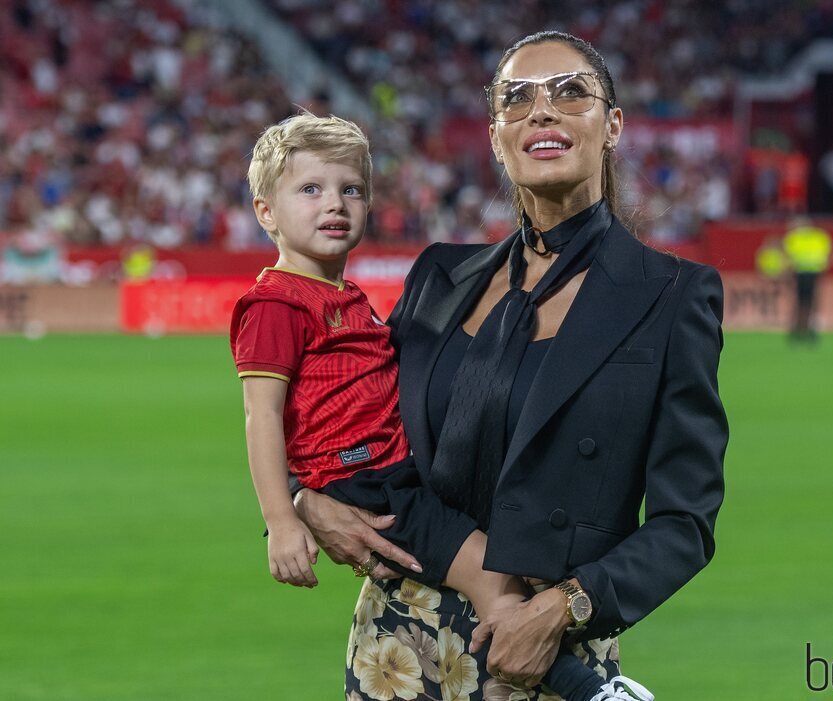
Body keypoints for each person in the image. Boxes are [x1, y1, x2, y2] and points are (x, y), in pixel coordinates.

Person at [294, 31, 728, 700]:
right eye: (516, 98)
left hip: (547, 656)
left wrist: (568, 607)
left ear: (612, 125)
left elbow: (684, 525)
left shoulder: (672, 296)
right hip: (394, 649)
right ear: (497, 135)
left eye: (569, 93)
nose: (541, 110)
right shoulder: (438, 277)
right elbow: (340, 410)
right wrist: (302, 498)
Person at [230, 113, 647, 701]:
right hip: (375, 486)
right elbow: (262, 414)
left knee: (511, 577)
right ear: (265, 212)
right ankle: (593, 693)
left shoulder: (350, 300)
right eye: (310, 189)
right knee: (496, 580)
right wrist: (285, 515)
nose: (336, 204)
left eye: (351, 190)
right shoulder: (275, 303)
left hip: (393, 476)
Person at [782, 216, 833, 341]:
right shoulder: (820, 236)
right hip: (814, 273)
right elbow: (830, 256)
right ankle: (810, 329)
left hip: (800, 273)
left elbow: (787, 257)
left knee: (800, 302)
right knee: (812, 302)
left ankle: (798, 329)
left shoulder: (794, 237)